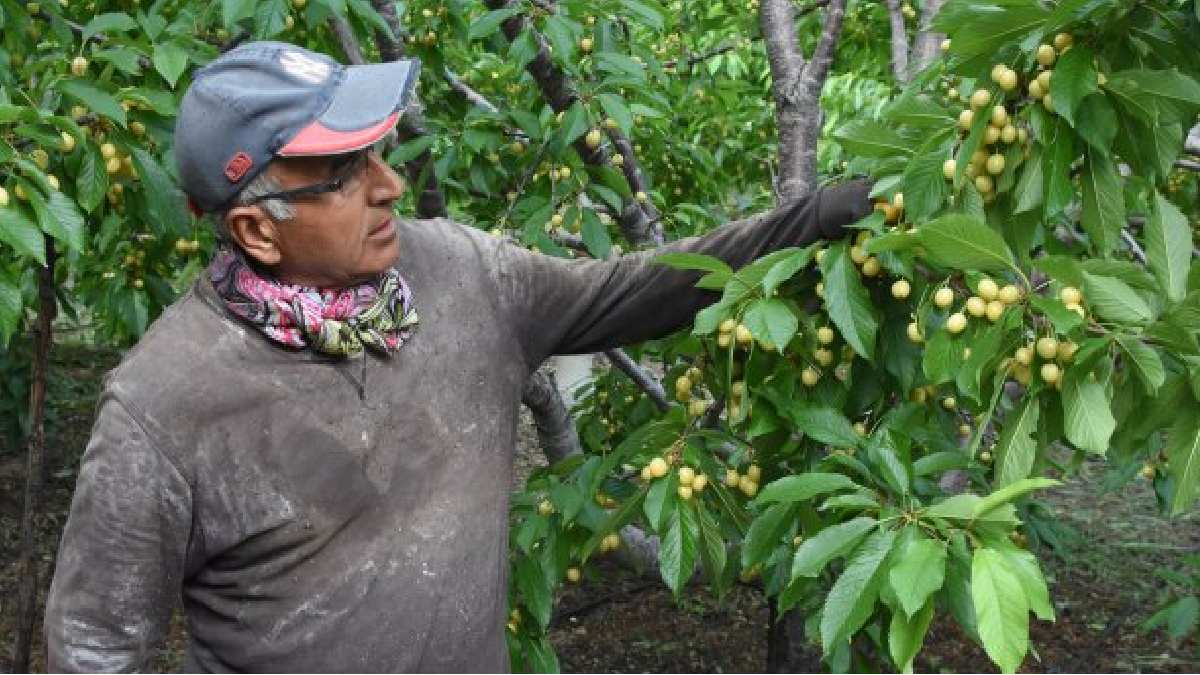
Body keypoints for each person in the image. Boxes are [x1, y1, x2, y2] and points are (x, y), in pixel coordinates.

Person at [43, 41, 872, 672]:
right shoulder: (166, 402)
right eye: (340, 173)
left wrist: (821, 218)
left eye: (377, 152)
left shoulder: (463, 275)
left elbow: (640, 285)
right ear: (257, 229)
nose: (388, 186)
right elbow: (94, 648)